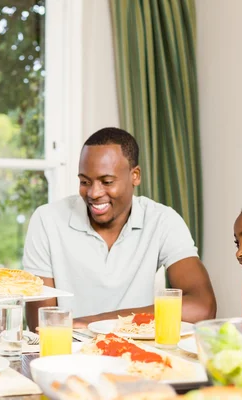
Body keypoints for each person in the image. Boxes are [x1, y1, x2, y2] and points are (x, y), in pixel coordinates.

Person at [23, 127, 217, 330]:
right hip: (69, 352)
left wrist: (92, 323)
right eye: (84, 181)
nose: (94, 193)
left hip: (137, 354)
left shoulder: (162, 220)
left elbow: (203, 307)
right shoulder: (47, 220)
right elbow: (40, 322)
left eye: (106, 182)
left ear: (135, 176)